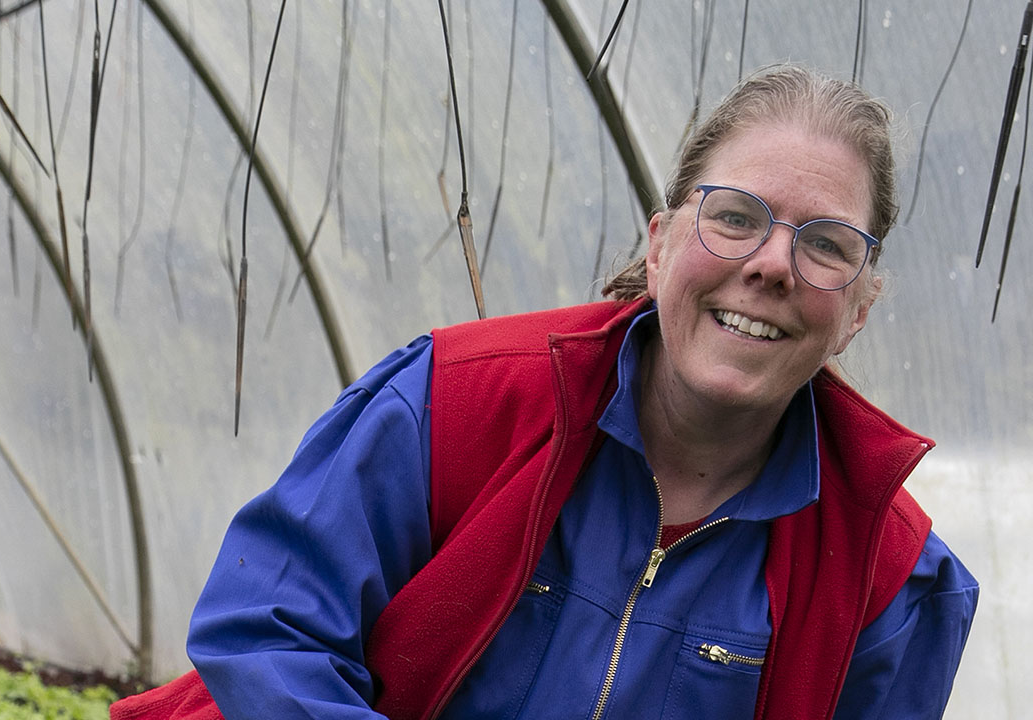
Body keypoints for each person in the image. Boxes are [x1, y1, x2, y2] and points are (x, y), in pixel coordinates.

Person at [110, 64, 978, 720]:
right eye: (736, 217)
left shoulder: (893, 584)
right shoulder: (452, 403)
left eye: (826, 244)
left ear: (861, 305)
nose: (771, 265)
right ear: (664, 242)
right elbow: (268, 628)